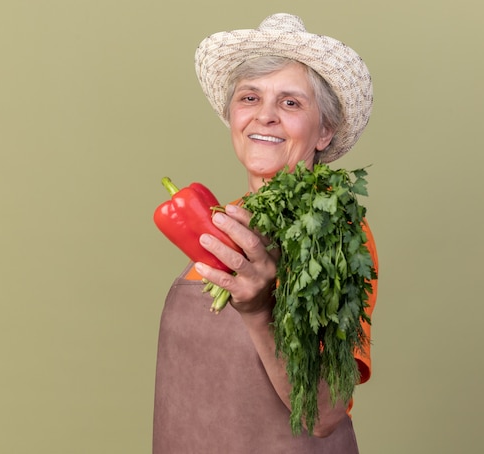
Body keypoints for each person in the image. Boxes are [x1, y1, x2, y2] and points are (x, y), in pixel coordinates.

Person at [153, 13, 377, 453]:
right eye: (250, 97)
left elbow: (324, 413)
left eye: (291, 103)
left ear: (324, 132)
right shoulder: (224, 218)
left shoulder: (338, 235)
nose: (265, 116)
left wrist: (258, 311)